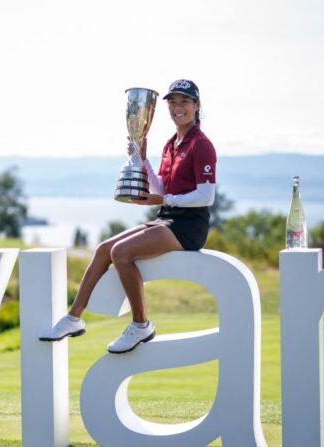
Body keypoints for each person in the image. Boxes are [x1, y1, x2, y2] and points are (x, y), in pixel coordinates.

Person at [39, 79, 217, 354]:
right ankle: (73, 318)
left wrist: (163, 200)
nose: (178, 108)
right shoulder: (172, 144)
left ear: (197, 106)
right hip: (168, 218)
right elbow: (163, 187)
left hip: (189, 226)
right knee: (103, 250)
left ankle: (140, 324)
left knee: (121, 253)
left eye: (184, 102)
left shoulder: (201, 145)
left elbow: (206, 196)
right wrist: (142, 161)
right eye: (173, 102)